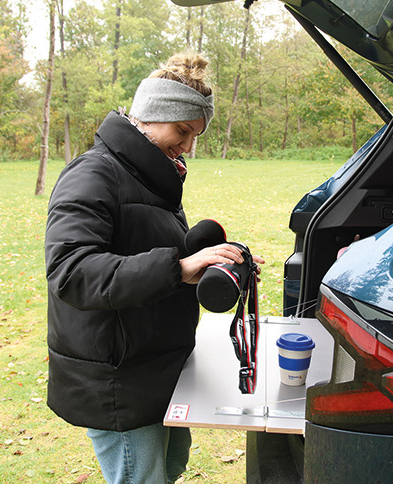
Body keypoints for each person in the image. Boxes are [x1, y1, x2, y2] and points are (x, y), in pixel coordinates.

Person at [44, 52, 262, 484]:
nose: (187, 146)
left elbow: (141, 247)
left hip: (157, 367)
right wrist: (177, 267)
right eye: (182, 131)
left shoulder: (152, 177)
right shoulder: (93, 175)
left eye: (195, 135)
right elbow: (72, 271)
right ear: (149, 116)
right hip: (120, 379)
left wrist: (203, 257)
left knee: (170, 468)